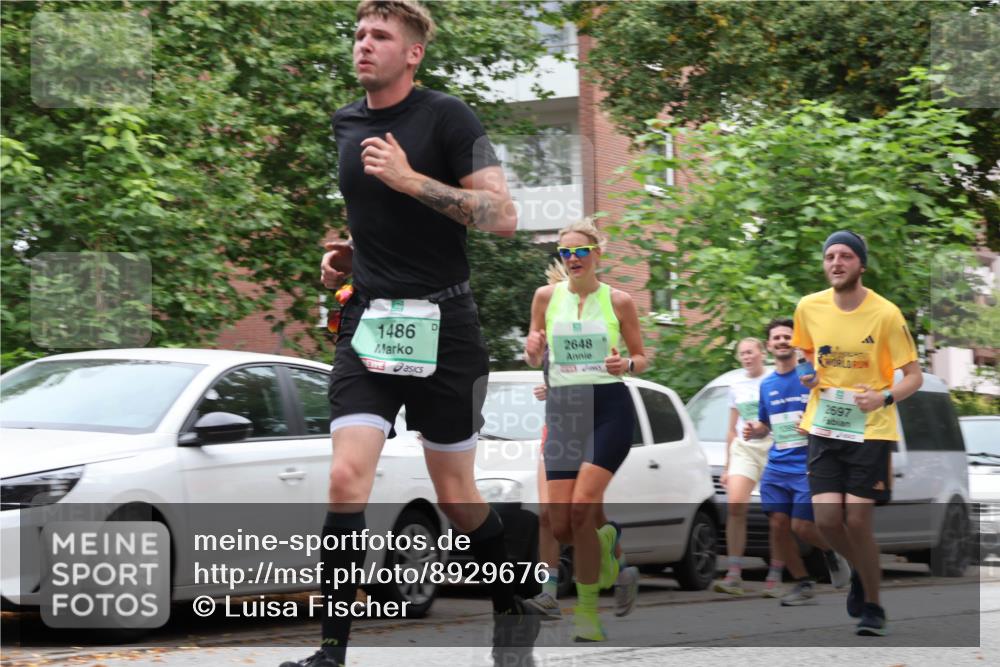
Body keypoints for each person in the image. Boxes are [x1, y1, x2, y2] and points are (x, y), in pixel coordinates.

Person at [283, 3, 534, 667]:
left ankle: (515, 599)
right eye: (360, 34)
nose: (364, 45)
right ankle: (330, 653)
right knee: (345, 478)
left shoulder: (450, 118)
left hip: (445, 325)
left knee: (455, 496)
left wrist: (409, 179)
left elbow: (502, 215)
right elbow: (371, 215)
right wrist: (346, 256)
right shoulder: (347, 121)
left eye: (381, 36)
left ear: (413, 52)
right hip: (370, 319)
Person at [523, 219, 648, 641]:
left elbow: (642, 357)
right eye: (565, 253)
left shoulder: (620, 301)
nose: (573, 259)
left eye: (581, 251)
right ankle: (608, 538)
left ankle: (588, 615)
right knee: (559, 526)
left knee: (581, 508)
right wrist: (532, 350)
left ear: (597, 254)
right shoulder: (544, 297)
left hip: (608, 410)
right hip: (564, 412)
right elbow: (532, 351)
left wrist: (625, 365)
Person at [792, 230, 922, 636]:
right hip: (826, 422)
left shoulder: (885, 314)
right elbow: (804, 352)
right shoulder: (808, 307)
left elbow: (913, 377)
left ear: (860, 265)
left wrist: (882, 399)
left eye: (845, 256)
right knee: (828, 519)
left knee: (858, 520)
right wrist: (805, 373)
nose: (836, 263)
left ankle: (873, 606)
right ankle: (861, 570)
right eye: (830, 256)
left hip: (872, 427)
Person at [743, 318, 850, 605]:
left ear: (795, 342)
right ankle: (803, 583)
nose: (781, 341)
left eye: (786, 336)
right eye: (776, 337)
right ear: (769, 345)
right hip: (777, 464)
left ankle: (833, 552)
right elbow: (766, 425)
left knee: (801, 527)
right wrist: (756, 430)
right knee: (778, 526)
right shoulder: (766, 385)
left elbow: (836, 412)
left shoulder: (810, 377)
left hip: (808, 463)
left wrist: (812, 424)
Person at [713, 337, 772, 595]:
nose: (746, 357)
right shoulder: (735, 384)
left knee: (780, 514)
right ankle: (734, 573)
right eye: (742, 354)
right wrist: (727, 467)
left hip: (772, 446)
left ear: (762, 353)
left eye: (750, 352)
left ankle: (778, 572)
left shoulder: (773, 380)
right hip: (744, 449)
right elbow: (730, 429)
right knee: (736, 505)